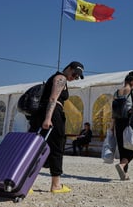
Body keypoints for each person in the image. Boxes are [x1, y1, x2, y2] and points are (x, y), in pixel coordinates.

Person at [28, 61, 84, 193]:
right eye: (74, 74)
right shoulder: (61, 78)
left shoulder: (56, 78)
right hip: (52, 115)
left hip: (43, 114)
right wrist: (48, 118)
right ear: (69, 68)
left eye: (77, 77)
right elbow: (53, 99)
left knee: (36, 148)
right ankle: (56, 185)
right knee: (57, 148)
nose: (74, 77)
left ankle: (25, 182)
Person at [111, 71, 133, 180]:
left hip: (118, 122)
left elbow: (113, 111)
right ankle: (122, 165)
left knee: (122, 147)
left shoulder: (116, 93)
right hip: (129, 121)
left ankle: (124, 174)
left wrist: (112, 126)